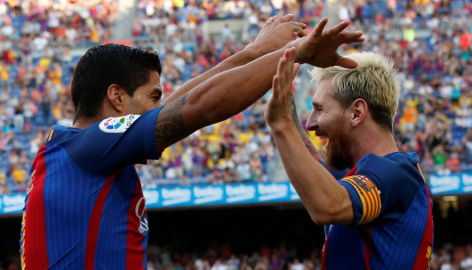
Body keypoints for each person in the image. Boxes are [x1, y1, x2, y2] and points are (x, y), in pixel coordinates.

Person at [20, 16, 364, 269]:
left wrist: (255, 51)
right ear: (117, 98)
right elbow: (196, 107)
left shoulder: (78, 154)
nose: (161, 105)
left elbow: (185, 101)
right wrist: (295, 52)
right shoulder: (90, 148)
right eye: (153, 96)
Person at [264, 51, 434, 269]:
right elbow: (317, 173)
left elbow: (328, 205)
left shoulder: (399, 174)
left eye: (319, 109)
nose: (310, 124)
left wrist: (281, 124)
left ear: (356, 112)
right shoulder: (359, 174)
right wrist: (287, 109)